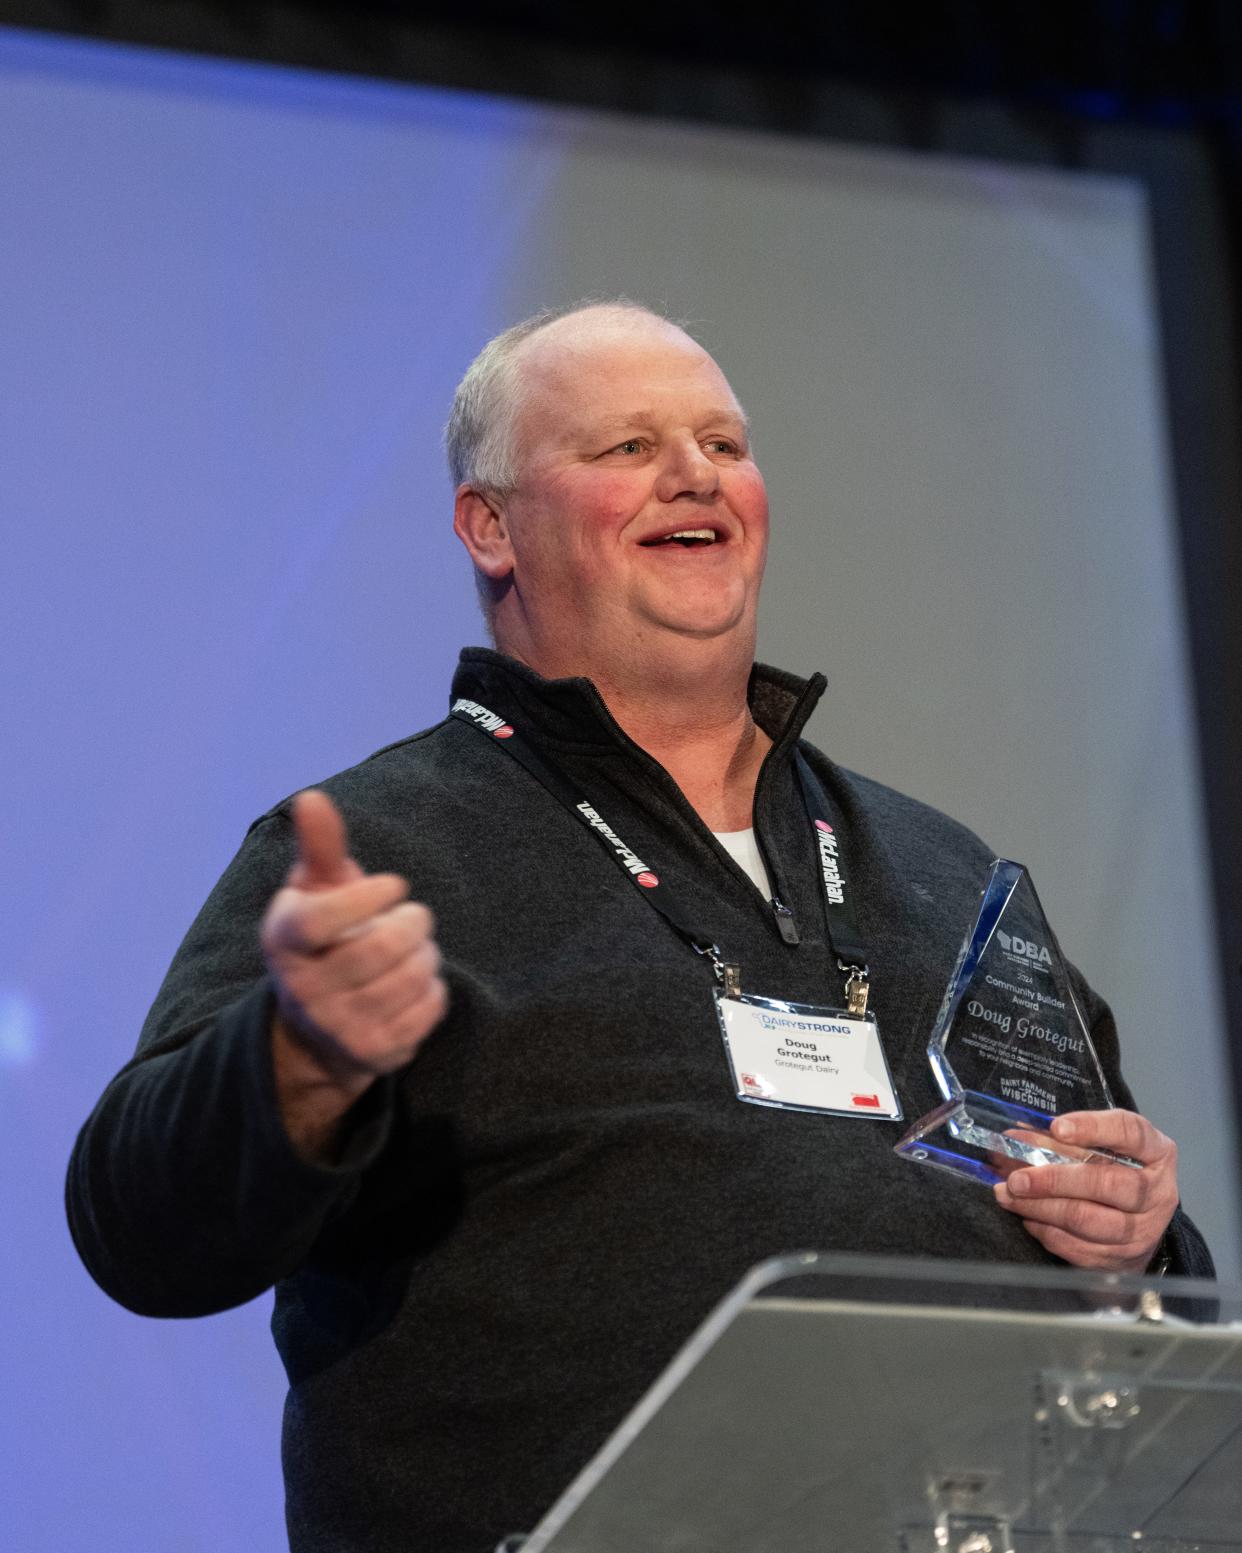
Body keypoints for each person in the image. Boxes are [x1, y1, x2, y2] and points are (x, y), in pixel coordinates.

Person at [67, 301, 1211, 1553]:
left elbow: (1142, 1288)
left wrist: (1140, 1244)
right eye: (626, 448)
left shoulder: (942, 868)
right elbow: (141, 1229)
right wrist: (298, 1062)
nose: (693, 475)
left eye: (723, 444)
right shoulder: (379, 849)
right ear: (489, 524)